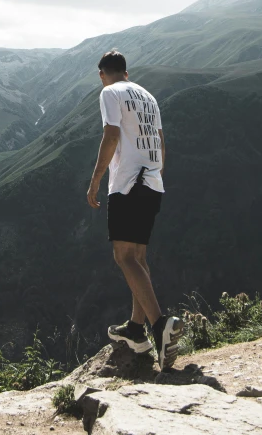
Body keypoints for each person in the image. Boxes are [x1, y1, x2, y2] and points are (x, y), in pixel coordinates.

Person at [86, 48, 183, 370]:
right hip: (152, 182)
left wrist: (96, 179)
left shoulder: (110, 93)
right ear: (126, 71)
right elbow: (160, 141)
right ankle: (136, 329)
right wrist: (157, 174)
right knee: (138, 258)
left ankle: (159, 325)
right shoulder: (148, 96)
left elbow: (111, 134)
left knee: (124, 257)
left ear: (103, 74)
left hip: (128, 184)